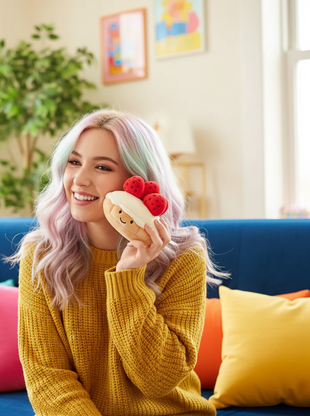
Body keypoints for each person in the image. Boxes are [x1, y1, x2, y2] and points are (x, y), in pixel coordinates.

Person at [16, 109, 221, 415]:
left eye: (102, 167)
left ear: (137, 182)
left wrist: (129, 277)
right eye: (74, 162)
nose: (79, 179)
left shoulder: (184, 256)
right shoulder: (43, 255)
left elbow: (158, 380)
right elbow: (48, 379)